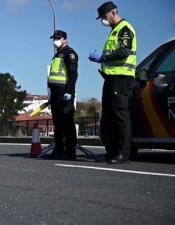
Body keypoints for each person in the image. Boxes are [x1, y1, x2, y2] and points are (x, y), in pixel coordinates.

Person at [89, 1, 136, 164]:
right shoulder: (114, 31)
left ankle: (124, 153)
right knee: (108, 117)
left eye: (104, 16)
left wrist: (102, 58)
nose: (103, 20)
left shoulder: (124, 29)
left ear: (113, 13)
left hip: (121, 78)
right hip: (110, 78)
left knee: (120, 116)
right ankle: (112, 152)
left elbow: (124, 52)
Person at [46, 30, 78, 160]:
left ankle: (70, 151)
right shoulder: (57, 54)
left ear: (65, 39)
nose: (55, 40)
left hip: (64, 91)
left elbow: (73, 74)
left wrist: (70, 91)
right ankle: (58, 149)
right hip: (55, 92)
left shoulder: (69, 53)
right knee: (58, 122)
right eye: (54, 38)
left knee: (67, 121)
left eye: (58, 38)